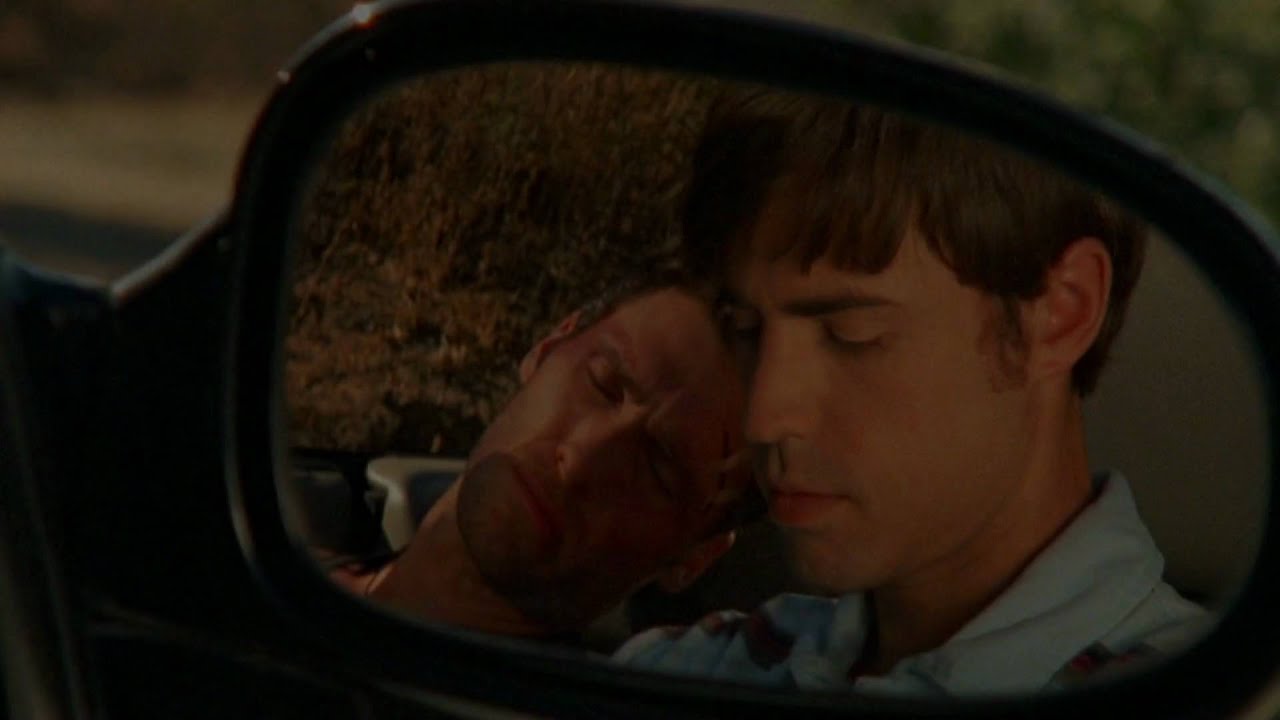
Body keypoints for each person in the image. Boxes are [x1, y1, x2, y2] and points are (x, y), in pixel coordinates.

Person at [614, 90, 1208, 695]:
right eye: (743, 329)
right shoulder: (692, 669)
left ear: (1059, 314)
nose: (764, 418)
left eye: (852, 335)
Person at [335, 281, 757, 638]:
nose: (581, 457)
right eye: (602, 384)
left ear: (694, 558)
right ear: (550, 345)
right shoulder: (306, 564)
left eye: (659, 466)